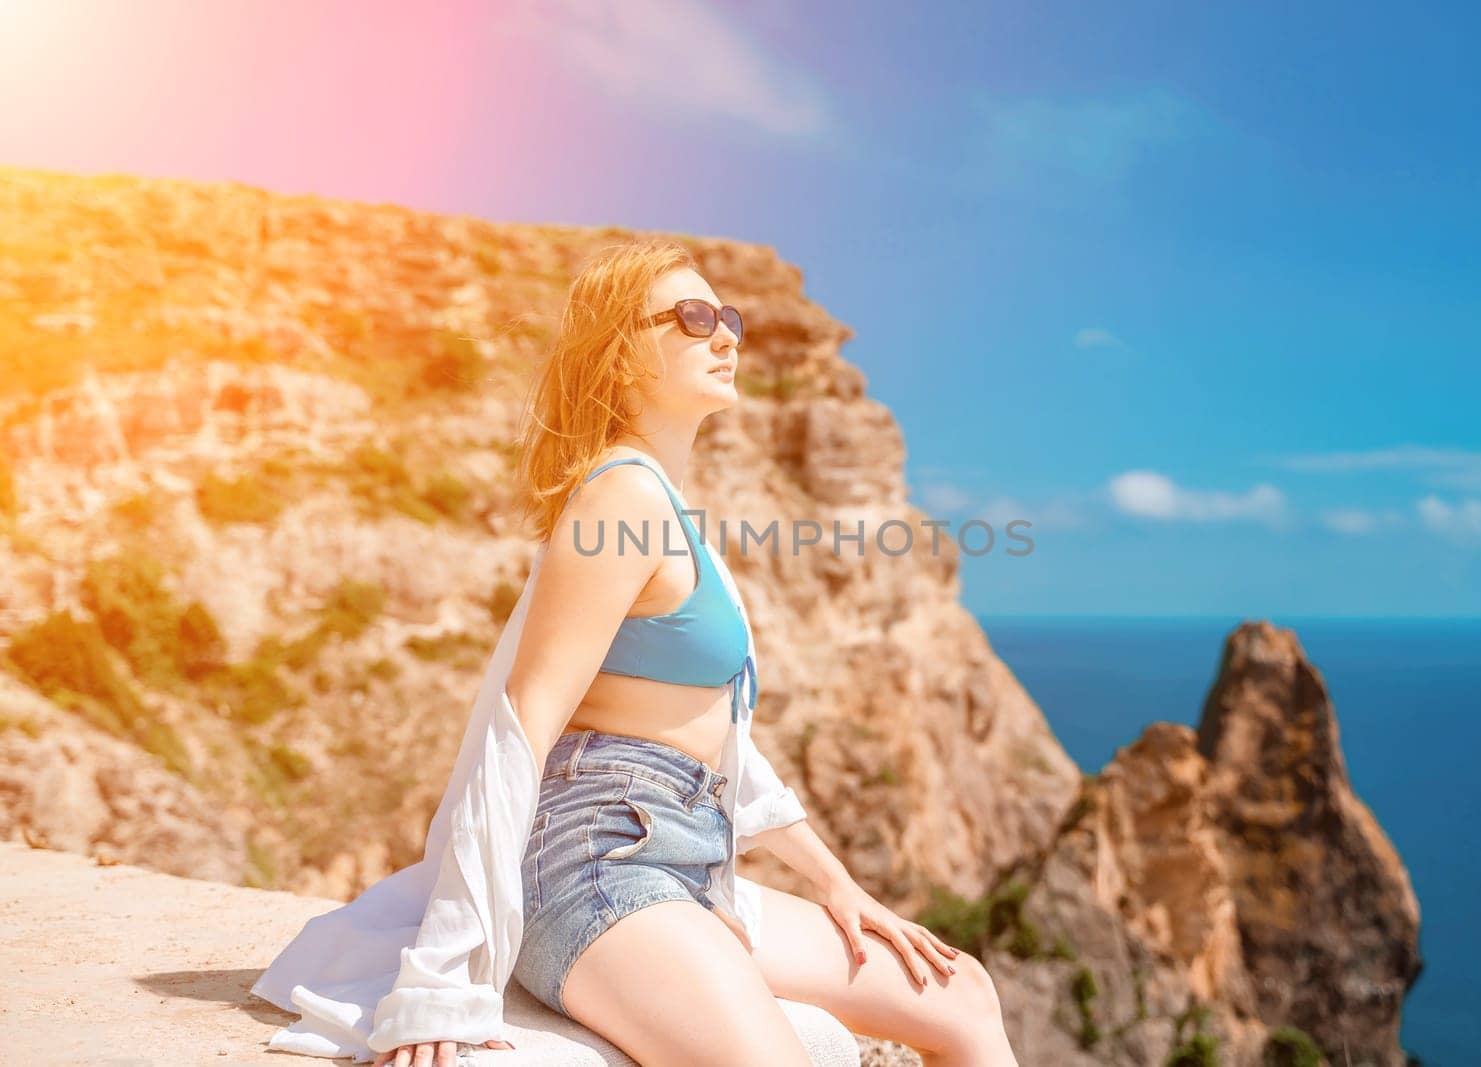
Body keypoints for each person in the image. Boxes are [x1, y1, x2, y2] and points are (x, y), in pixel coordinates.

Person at [254, 239, 1019, 1067]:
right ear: (620, 357)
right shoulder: (619, 494)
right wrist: (447, 973)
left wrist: (838, 884)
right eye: (694, 318)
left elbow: (722, 740)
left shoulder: (664, 505)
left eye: (728, 316)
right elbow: (525, 722)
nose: (726, 334)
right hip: (596, 861)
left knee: (964, 995)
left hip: (686, 851)